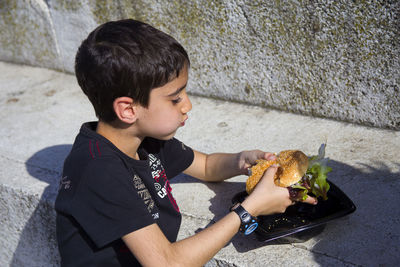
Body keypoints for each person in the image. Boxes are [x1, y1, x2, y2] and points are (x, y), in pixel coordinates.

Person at [55, 19, 317, 267]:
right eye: (175, 98)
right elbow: (167, 263)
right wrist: (250, 210)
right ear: (128, 110)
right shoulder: (99, 170)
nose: (187, 105)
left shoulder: (142, 139)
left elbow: (205, 165)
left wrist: (241, 161)